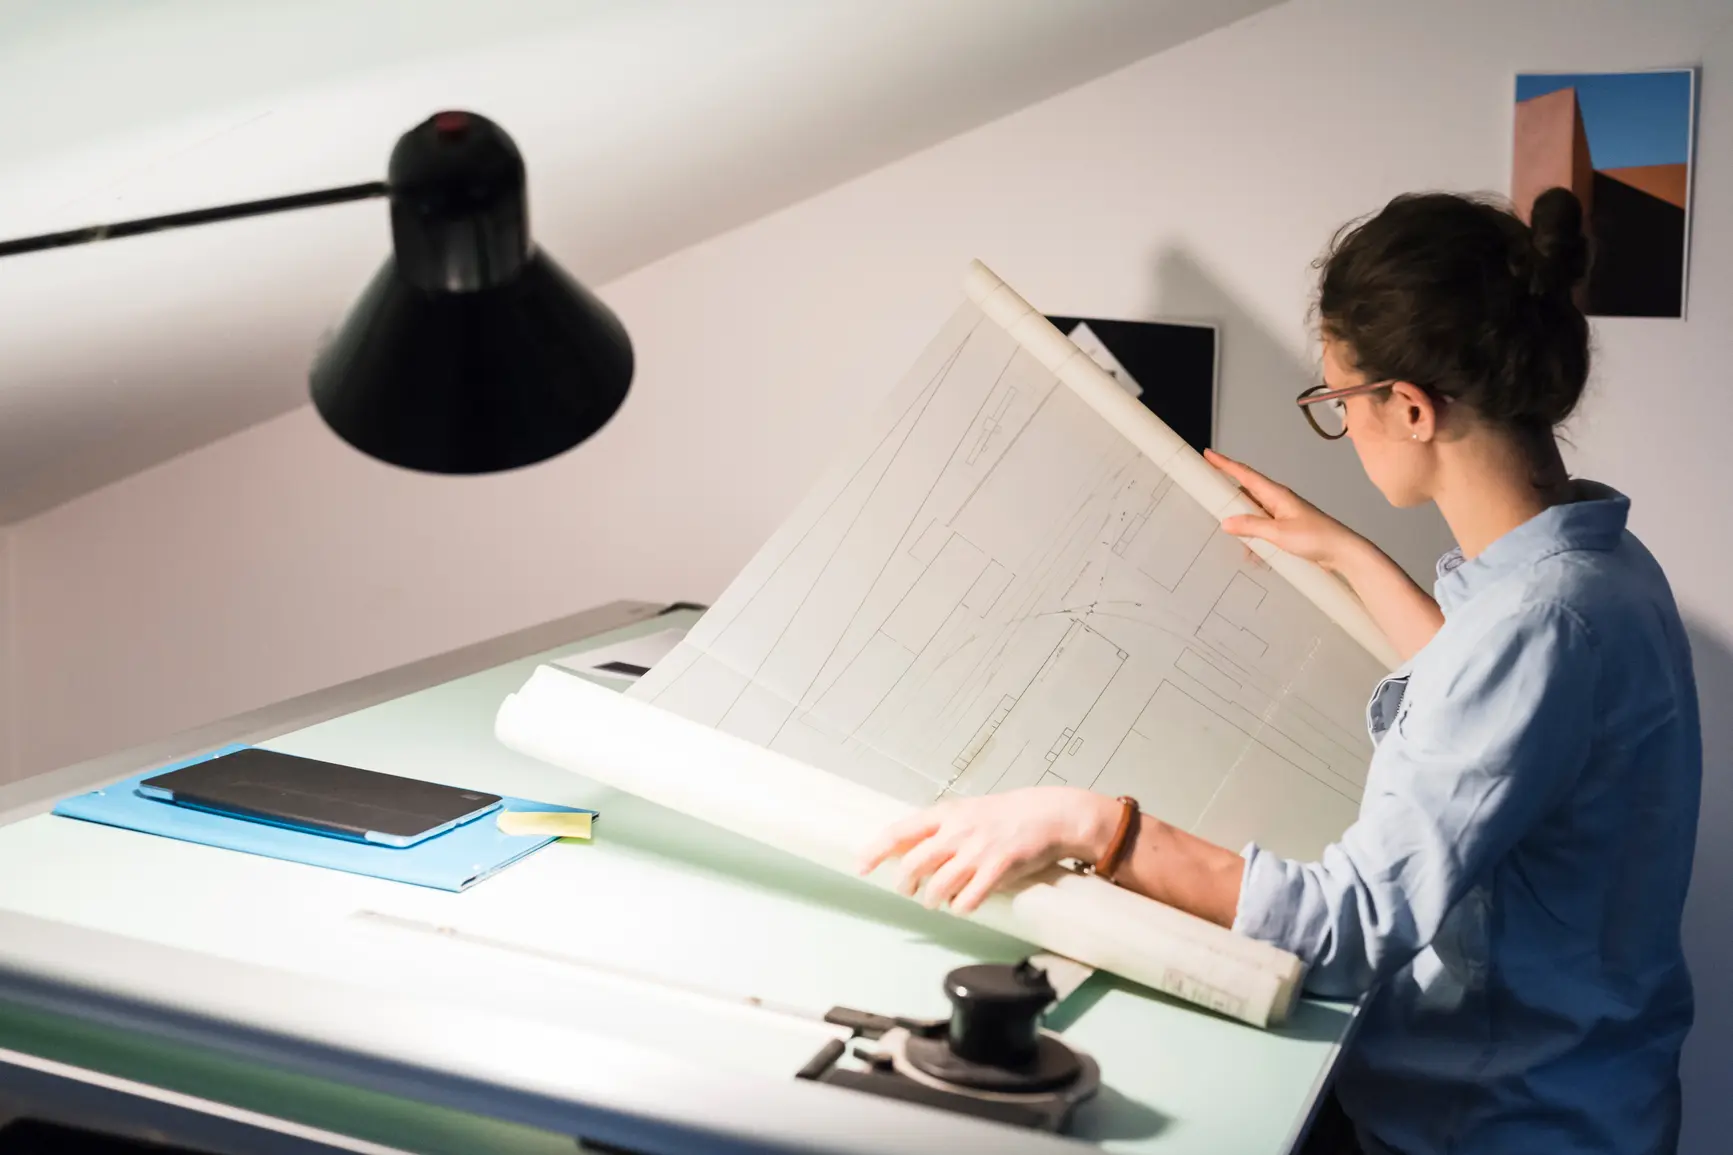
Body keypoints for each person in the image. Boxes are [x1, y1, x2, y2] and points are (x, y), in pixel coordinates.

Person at [856, 188, 1701, 1154]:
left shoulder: (1539, 624)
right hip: (1578, 1092)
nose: (1341, 422)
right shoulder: (1595, 569)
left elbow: (1349, 925)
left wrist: (1090, 822)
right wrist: (1345, 554)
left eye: (1339, 403)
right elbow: (1488, 705)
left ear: (1412, 408)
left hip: (1499, 1126)